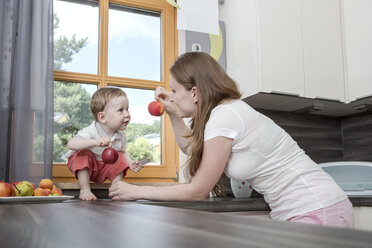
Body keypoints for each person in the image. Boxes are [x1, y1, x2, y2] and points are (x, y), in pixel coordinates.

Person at [109, 52, 354, 228]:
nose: (171, 96)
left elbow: (198, 191)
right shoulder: (223, 113)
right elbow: (194, 148)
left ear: (194, 92)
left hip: (317, 208)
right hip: (304, 211)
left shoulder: (225, 115)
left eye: (175, 90)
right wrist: (174, 113)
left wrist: (135, 191)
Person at [64, 87, 144, 201]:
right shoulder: (91, 131)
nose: (127, 114)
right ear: (102, 117)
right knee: (82, 154)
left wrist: (130, 162)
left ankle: (116, 190)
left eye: (127, 109)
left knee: (120, 156)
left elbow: (122, 152)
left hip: (103, 168)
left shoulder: (120, 135)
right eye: (121, 110)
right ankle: (85, 189)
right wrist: (95, 142)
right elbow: (71, 144)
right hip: (87, 168)